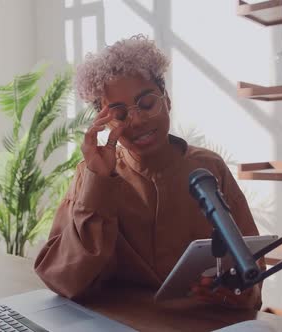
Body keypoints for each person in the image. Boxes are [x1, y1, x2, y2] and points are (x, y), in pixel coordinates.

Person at [34, 35, 264, 309]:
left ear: (166, 100)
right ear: (105, 122)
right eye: (120, 114)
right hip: (120, 322)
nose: (138, 120)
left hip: (199, 322)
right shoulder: (90, 175)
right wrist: (98, 183)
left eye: (146, 104)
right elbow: (64, 279)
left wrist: (232, 291)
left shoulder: (209, 168)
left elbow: (251, 268)